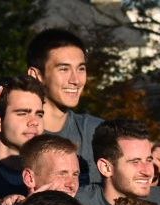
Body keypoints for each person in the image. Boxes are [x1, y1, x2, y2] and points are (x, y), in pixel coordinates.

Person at [26, 28, 104, 184]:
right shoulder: (13, 132)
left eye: (81, 68)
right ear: (36, 75)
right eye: (64, 69)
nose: (76, 80)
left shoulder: (97, 132)